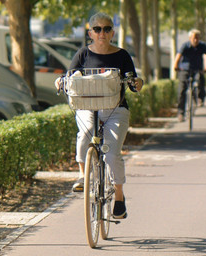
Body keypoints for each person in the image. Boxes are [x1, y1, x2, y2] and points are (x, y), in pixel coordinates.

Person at [55, 12, 143, 219]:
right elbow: (67, 77)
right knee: (84, 136)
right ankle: (82, 175)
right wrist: (59, 82)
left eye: (106, 29)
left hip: (115, 109)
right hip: (87, 107)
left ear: (112, 32)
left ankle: (119, 196)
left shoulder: (122, 55)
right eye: (97, 29)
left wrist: (138, 84)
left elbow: (133, 81)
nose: (101, 33)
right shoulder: (82, 55)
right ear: (90, 33)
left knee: (112, 153)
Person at [173, 29, 206, 122]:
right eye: (194, 38)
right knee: (182, 90)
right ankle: (181, 113)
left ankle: (200, 98)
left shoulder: (202, 46)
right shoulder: (185, 46)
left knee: (201, 79)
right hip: (185, 69)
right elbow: (178, 56)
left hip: (197, 69)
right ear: (190, 38)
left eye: (197, 38)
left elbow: (205, 57)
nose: (195, 40)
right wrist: (175, 65)